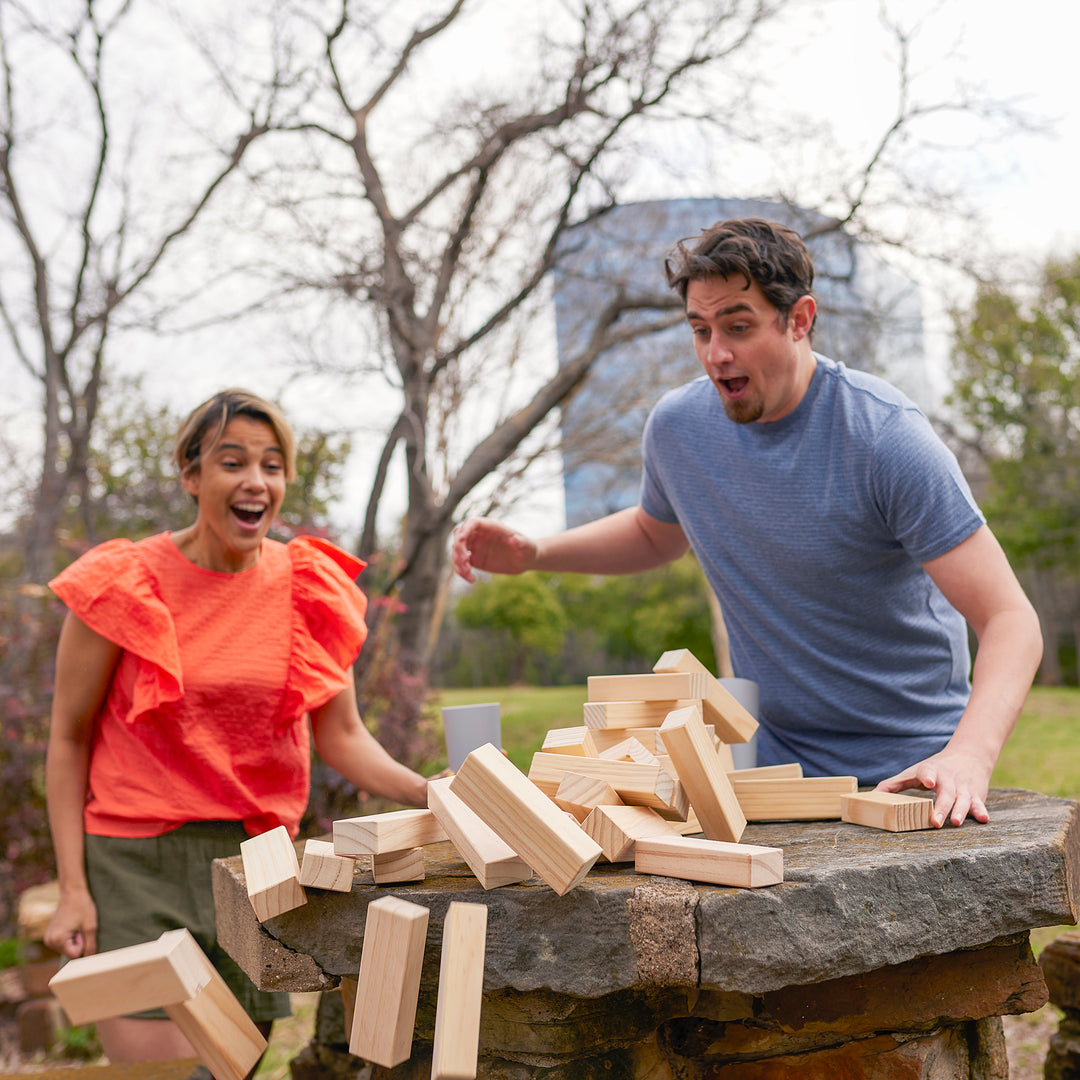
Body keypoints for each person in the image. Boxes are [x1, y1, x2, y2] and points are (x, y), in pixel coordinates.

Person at [452, 218, 1042, 830]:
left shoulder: (886, 438)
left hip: (910, 771)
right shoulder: (679, 430)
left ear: (800, 319)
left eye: (738, 326)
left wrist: (968, 756)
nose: (717, 354)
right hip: (768, 772)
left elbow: (1011, 620)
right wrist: (533, 553)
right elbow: (657, 532)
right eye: (700, 330)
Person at [44, 388, 429, 1067]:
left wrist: (435, 792)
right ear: (192, 476)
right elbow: (68, 739)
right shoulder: (124, 583)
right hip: (137, 864)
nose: (256, 481)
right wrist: (74, 889)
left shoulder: (306, 584)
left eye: (272, 465)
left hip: (257, 865)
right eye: (232, 462)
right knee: (168, 1070)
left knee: (235, 1065)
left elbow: (342, 737)